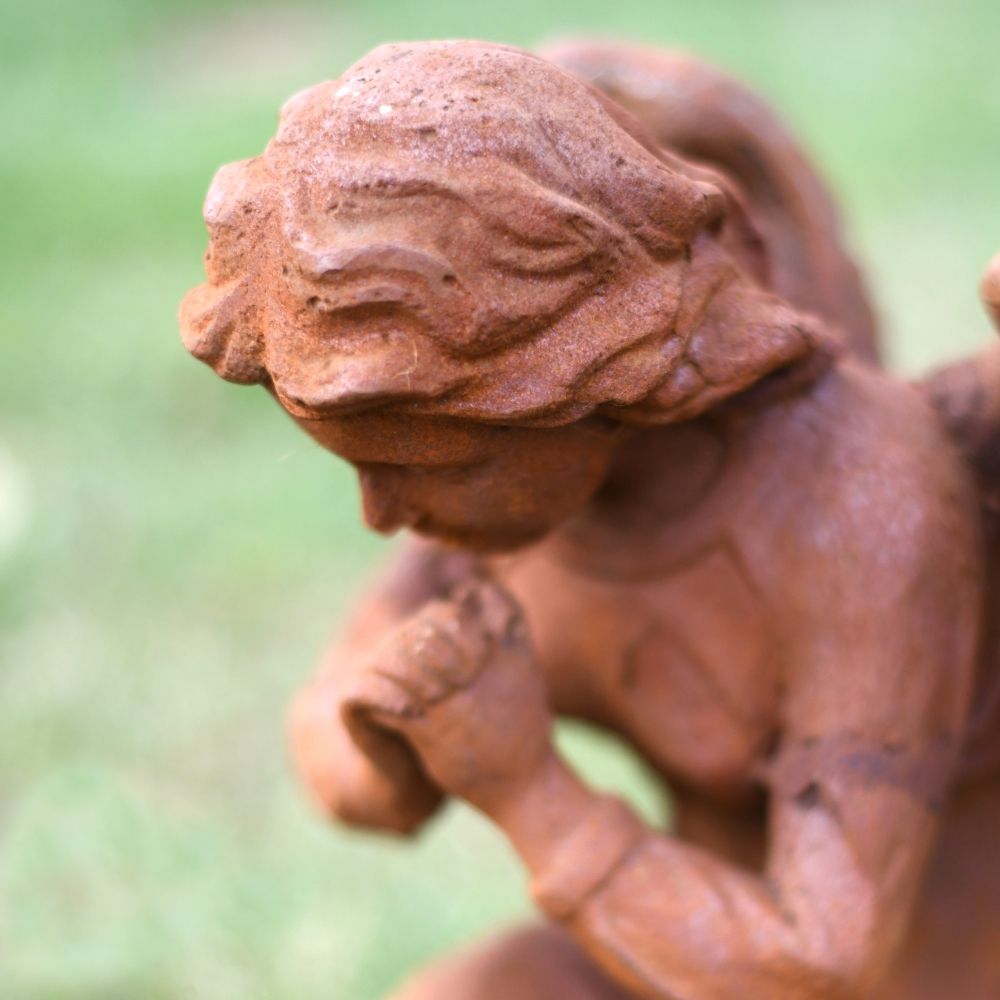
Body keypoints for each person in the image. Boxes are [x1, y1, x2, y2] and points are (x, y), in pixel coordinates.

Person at [180, 40, 1000, 999]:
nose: (384, 517)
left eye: (421, 468)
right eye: (362, 470)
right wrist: (394, 722)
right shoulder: (510, 510)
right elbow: (350, 772)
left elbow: (824, 959)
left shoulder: (863, 506)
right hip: (684, 959)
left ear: (580, 380)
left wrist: (528, 789)